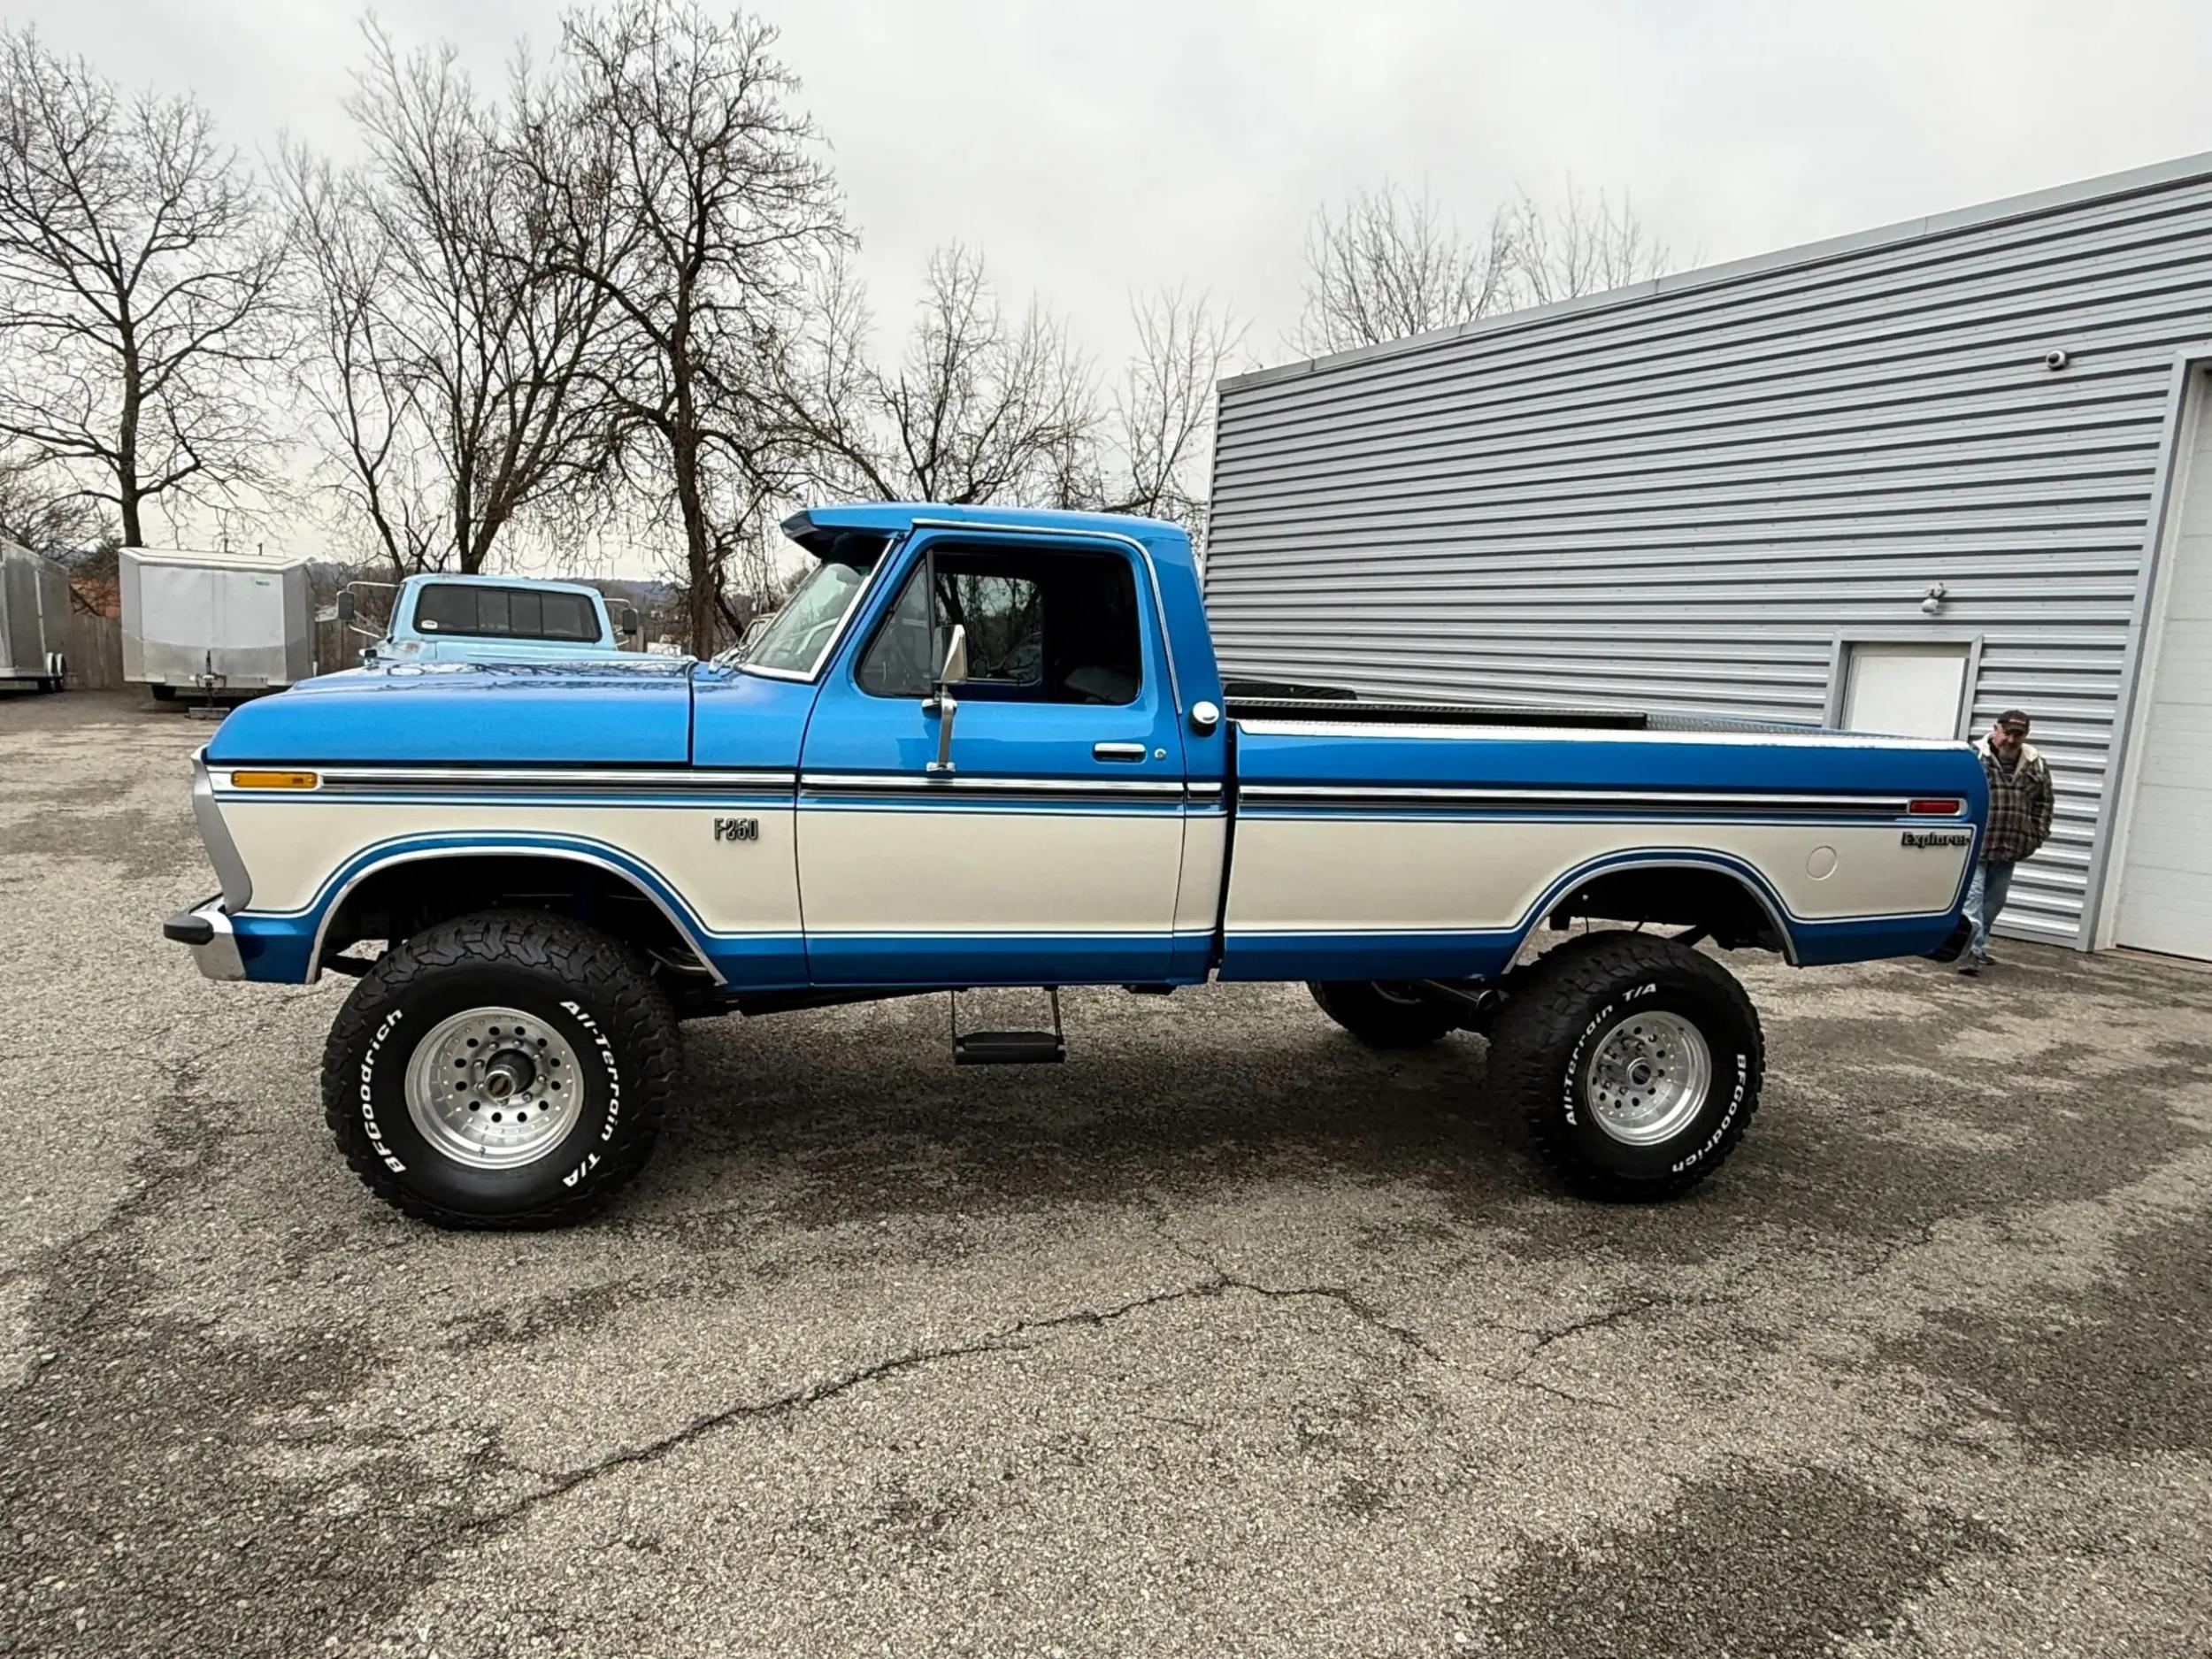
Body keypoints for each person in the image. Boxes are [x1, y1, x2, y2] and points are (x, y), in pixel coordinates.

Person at [1960, 709, 2054, 975]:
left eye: (2019, 734)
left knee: (1995, 900)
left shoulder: (2036, 763)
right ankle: (1969, 952)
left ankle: (1979, 946)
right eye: (2008, 733)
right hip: (1976, 845)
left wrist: (2037, 834)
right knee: (1972, 899)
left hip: (2010, 845)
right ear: (1995, 729)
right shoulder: (1973, 758)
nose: (2012, 740)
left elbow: (2044, 802)